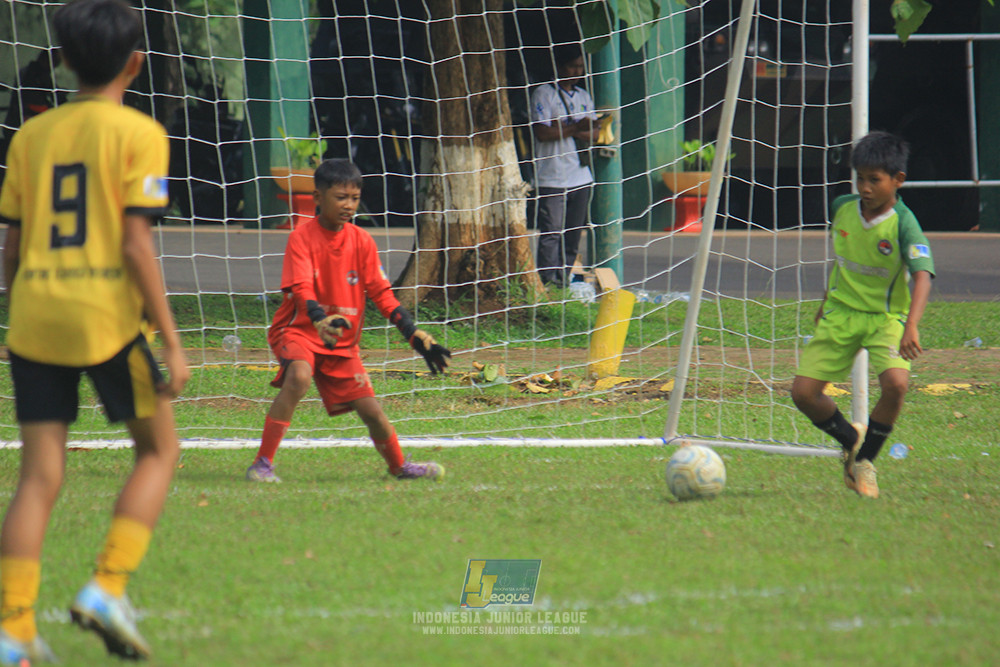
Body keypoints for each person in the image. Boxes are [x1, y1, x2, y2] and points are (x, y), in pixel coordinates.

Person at [0, 0, 189, 663]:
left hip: (34, 317)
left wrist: (12, 314)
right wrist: (170, 337)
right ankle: (107, 586)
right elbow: (137, 243)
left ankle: (13, 632)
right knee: (159, 450)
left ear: (62, 60)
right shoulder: (140, 133)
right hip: (105, 320)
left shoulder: (31, 136)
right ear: (136, 64)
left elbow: (14, 242)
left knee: (38, 476)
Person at [245, 159, 450, 484]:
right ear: (318, 197)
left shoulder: (362, 241)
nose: (349, 205)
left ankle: (399, 466)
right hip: (299, 330)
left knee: (372, 412)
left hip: (341, 344)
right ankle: (262, 464)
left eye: (354, 198)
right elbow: (301, 287)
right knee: (298, 376)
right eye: (341, 197)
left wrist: (412, 333)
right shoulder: (302, 238)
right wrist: (319, 319)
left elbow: (382, 294)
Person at [791, 131, 934, 499]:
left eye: (875, 180)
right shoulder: (842, 207)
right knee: (803, 394)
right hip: (841, 312)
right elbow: (843, 259)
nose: (865, 188)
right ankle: (850, 437)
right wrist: (826, 301)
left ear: (897, 181)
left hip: (886, 318)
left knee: (897, 385)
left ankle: (865, 461)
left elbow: (922, 275)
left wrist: (911, 325)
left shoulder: (904, 224)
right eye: (861, 178)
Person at [530, 43, 600, 287]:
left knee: (573, 234)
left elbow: (596, 133)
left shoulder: (583, 96)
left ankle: (563, 280)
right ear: (559, 66)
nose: (577, 71)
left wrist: (568, 129)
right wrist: (576, 128)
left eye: (580, 67)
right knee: (551, 232)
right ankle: (547, 281)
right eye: (572, 66)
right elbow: (543, 132)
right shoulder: (543, 93)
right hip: (552, 175)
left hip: (580, 176)